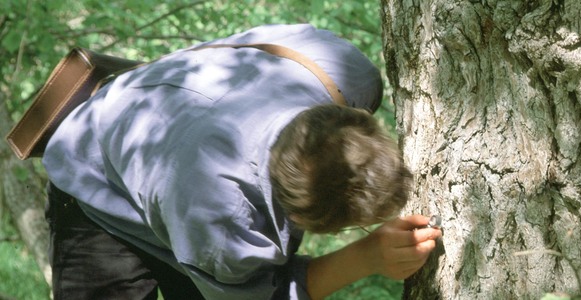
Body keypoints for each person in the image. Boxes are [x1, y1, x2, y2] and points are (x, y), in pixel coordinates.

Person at [42, 24, 442, 300]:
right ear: (296, 218)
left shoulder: (345, 72)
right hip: (94, 174)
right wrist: (367, 256)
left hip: (167, 141)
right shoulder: (221, 215)